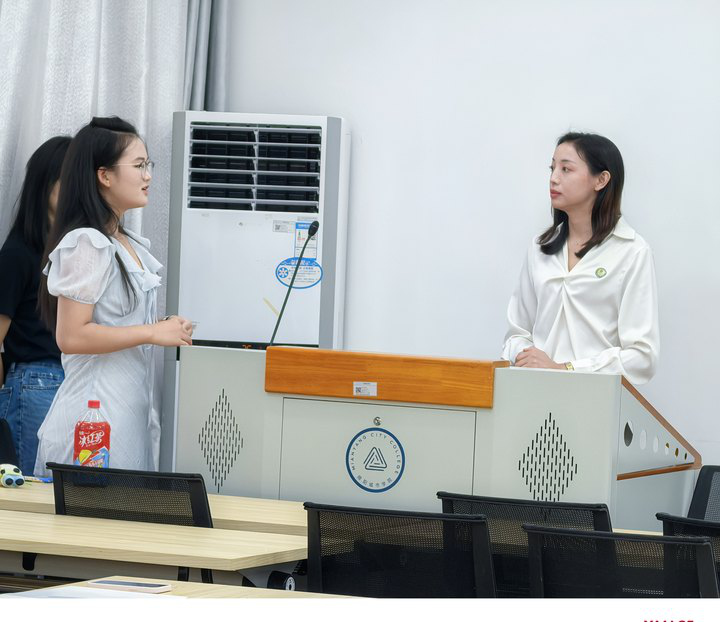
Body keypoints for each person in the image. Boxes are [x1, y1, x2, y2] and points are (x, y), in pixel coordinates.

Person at [35, 116, 193, 477]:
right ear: (104, 175)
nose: (148, 176)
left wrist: (162, 326)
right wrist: (151, 332)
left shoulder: (123, 241)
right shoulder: (87, 242)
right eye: (138, 166)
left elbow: (113, 322)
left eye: (148, 165)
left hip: (124, 416)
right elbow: (71, 336)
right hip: (92, 420)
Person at [501, 132, 659, 385]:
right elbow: (516, 334)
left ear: (601, 180)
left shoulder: (632, 252)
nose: (554, 178)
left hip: (594, 398)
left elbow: (642, 357)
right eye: (552, 168)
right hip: (533, 392)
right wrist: (527, 357)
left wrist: (566, 368)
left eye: (566, 169)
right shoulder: (540, 248)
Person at [0, 136, 71, 475]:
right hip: (34, 383)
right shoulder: (18, 253)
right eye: (67, 180)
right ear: (45, 184)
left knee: (58, 492)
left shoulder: (74, 250)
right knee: (31, 492)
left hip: (70, 382)